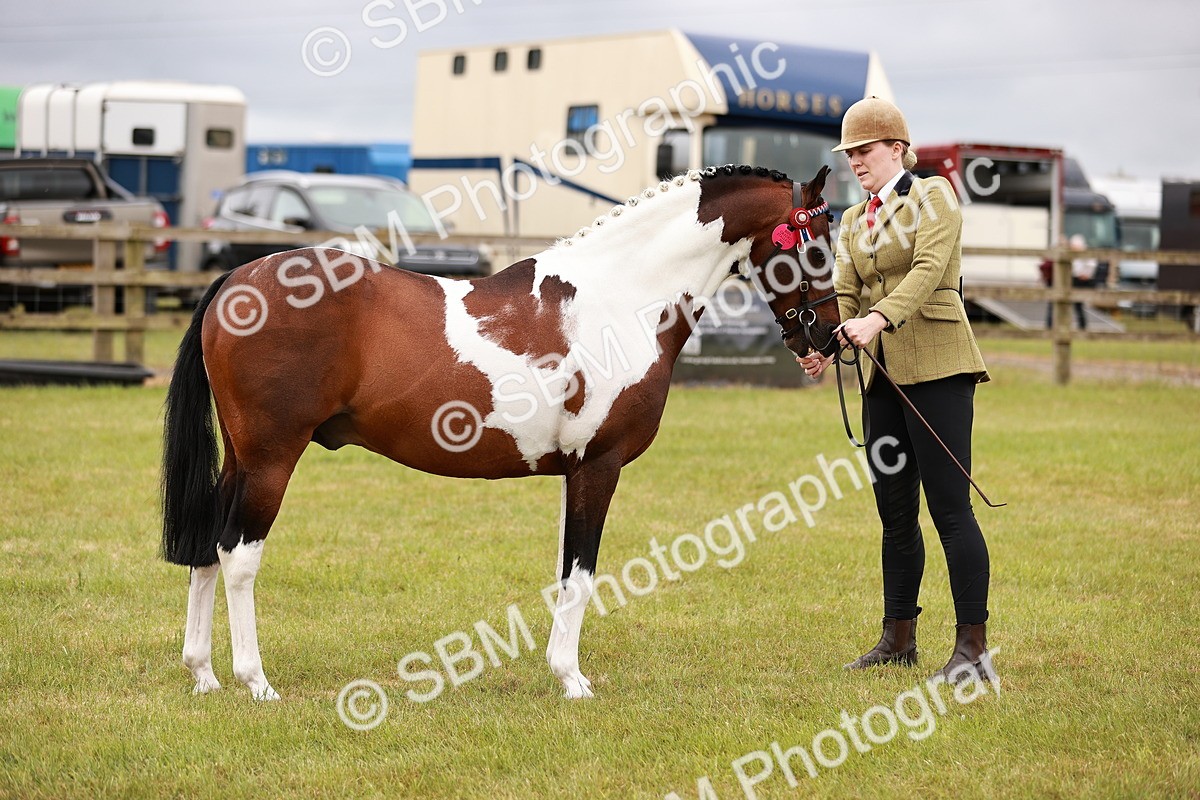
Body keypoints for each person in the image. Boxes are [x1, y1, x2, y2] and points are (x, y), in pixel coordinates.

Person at [798, 96, 994, 683]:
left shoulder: (934, 195)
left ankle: (973, 650)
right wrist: (828, 346)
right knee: (894, 514)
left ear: (897, 149)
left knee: (951, 511)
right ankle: (898, 637)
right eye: (849, 153)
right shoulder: (855, 221)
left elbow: (929, 270)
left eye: (864, 150)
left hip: (939, 368)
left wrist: (877, 320)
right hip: (882, 380)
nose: (855, 161)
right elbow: (847, 292)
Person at [1042, 234, 1094, 330]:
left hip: (1071, 281)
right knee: (1057, 304)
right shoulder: (1064, 253)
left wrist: (1085, 274)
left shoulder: (1079, 254)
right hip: (1061, 281)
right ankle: (1052, 326)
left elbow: (1089, 267)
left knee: (1076, 304)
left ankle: (1077, 326)